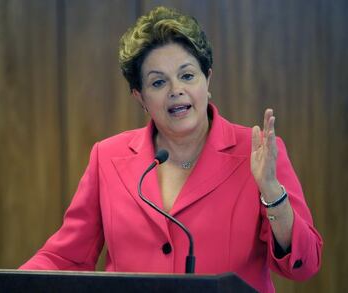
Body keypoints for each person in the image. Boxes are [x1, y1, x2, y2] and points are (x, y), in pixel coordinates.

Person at [20, 6, 323, 292]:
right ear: (140, 97)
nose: (176, 89)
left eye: (187, 75)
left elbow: (304, 265)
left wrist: (271, 192)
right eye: (158, 82)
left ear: (208, 79)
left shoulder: (257, 152)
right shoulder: (107, 157)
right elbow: (65, 258)